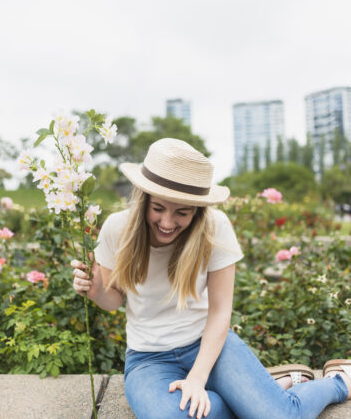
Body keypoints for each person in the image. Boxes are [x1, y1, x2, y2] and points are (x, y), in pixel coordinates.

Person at [72, 138, 351, 419]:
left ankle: (338, 382)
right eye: (158, 208)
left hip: (208, 345)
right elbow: (113, 300)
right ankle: (266, 392)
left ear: (198, 210)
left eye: (182, 212)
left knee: (282, 416)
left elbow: (220, 313)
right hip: (149, 359)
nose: (167, 223)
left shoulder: (215, 227)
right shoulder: (116, 229)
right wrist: (95, 291)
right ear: (144, 198)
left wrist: (197, 378)